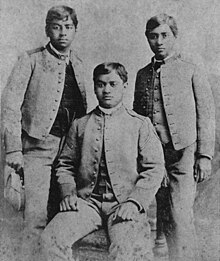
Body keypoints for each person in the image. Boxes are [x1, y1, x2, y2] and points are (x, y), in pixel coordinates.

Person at [40, 62, 165, 261]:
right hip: (87, 203)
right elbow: (65, 165)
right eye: (100, 84)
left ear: (125, 86)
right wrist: (68, 193)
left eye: (113, 84)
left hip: (124, 203)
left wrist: (135, 202)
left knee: (127, 248)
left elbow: (155, 169)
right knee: (50, 239)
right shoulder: (80, 125)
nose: (106, 90)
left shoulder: (140, 124)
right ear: (94, 86)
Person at [2, 5, 87, 260]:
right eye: (56, 27)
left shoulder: (79, 64)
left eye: (68, 27)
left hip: (70, 152)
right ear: (47, 29)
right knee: (35, 217)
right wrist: (14, 148)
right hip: (37, 148)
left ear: (75, 30)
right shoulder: (30, 60)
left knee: (64, 217)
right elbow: (9, 105)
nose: (63, 33)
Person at [133, 13, 215, 261]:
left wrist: (204, 156)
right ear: (147, 38)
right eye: (153, 36)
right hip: (154, 156)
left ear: (174, 36)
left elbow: (206, 113)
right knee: (164, 214)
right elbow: (139, 119)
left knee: (180, 214)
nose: (159, 41)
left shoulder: (190, 69)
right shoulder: (142, 74)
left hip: (183, 152)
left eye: (164, 35)